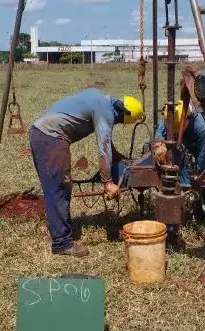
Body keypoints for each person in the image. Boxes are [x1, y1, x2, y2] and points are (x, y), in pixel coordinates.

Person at [30, 89, 144, 257]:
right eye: (120, 121)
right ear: (122, 112)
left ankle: (62, 231)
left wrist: (117, 157)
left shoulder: (100, 100)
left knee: (61, 187)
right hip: (50, 137)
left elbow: (105, 140)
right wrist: (108, 182)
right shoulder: (106, 110)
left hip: (42, 133)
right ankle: (61, 242)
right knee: (58, 188)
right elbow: (103, 148)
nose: (117, 123)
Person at [153, 101, 205, 228]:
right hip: (197, 145)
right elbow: (162, 128)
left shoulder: (202, 127)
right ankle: (204, 214)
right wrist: (158, 144)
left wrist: (199, 176)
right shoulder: (173, 115)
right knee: (200, 182)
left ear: (186, 121)